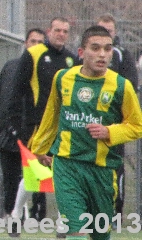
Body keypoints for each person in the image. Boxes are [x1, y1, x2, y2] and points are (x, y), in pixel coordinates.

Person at [31, 25, 142, 240]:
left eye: (108, 49)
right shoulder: (63, 78)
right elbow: (51, 116)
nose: (102, 54)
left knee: (100, 235)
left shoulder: (121, 86)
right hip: (67, 165)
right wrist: (40, 148)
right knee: (76, 229)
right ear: (81, 53)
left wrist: (109, 131)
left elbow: (137, 126)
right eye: (96, 48)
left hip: (101, 171)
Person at [7, 17, 79, 224]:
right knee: (34, 173)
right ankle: (16, 213)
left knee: (61, 173)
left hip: (62, 126)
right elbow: (17, 90)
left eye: (65, 31)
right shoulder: (33, 54)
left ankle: (63, 220)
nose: (61, 35)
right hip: (37, 125)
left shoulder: (70, 59)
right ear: (49, 31)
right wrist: (15, 124)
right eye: (57, 30)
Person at [0, 28, 45, 221]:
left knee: (38, 177)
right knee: (11, 179)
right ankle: (11, 215)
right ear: (25, 43)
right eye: (33, 41)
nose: (36, 45)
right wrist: (0, 121)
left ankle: (38, 217)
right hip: (9, 133)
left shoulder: (46, 69)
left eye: (40, 42)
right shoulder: (11, 66)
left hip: (36, 134)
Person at [95, 13, 139, 221]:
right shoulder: (85, 56)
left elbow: (130, 86)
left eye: (109, 31)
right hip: (90, 125)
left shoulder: (122, 55)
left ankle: (116, 214)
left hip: (114, 126)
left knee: (115, 168)